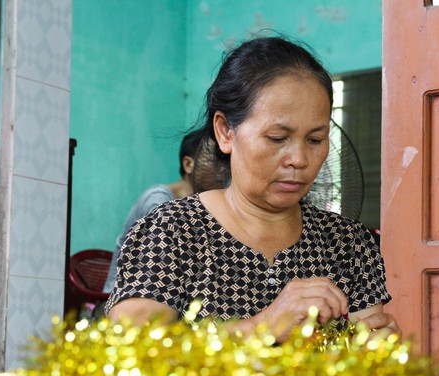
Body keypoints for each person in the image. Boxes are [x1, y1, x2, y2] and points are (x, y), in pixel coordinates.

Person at [104, 35, 399, 343]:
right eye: (276, 137)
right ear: (225, 131)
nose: (299, 159)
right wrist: (262, 327)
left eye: (314, 140)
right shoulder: (172, 231)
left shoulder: (347, 244)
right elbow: (130, 350)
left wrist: (374, 353)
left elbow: (363, 362)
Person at [102, 128, 205, 293]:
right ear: (188, 164)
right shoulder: (159, 201)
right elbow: (158, 267)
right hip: (122, 302)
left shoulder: (198, 208)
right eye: (216, 160)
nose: (223, 170)